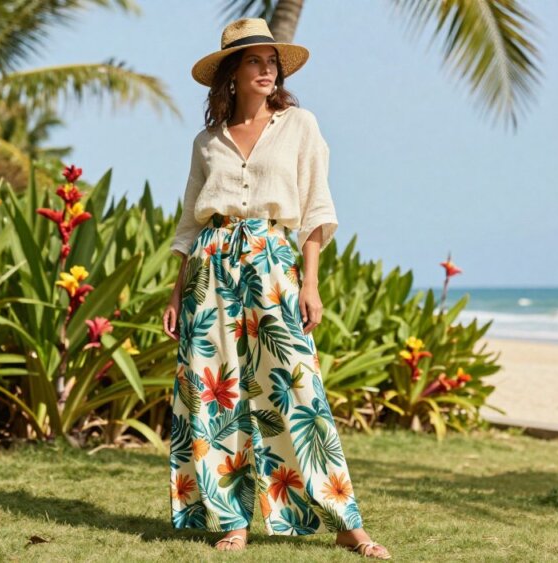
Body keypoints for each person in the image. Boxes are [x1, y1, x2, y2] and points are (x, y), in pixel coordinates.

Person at [160, 18, 391, 559]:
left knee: (297, 390)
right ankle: (231, 520)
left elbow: (316, 208)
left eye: (271, 62)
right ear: (232, 75)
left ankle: (343, 520)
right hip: (210, 270)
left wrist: (309, 283)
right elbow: (190, 224)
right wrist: (176, 293)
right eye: (254, 61)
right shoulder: (207, 141)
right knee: (217, 397)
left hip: (272, 263)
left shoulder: (300, 125)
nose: (266, 70)